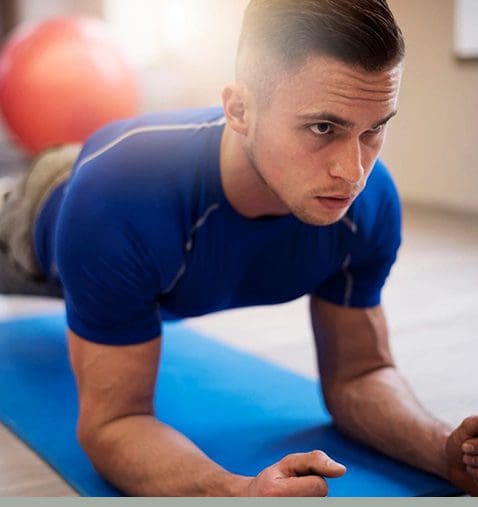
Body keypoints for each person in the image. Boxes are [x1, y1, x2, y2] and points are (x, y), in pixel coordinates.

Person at [0, 0, 477, 497]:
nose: (353, 171)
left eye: (374, 128)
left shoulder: (370, 202)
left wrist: (443, 449)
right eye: (323, 128)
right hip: (43, 208)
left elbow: (361, 374)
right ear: (240, 110)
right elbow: (115, 423)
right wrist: (237, 492)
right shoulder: (118, 199)